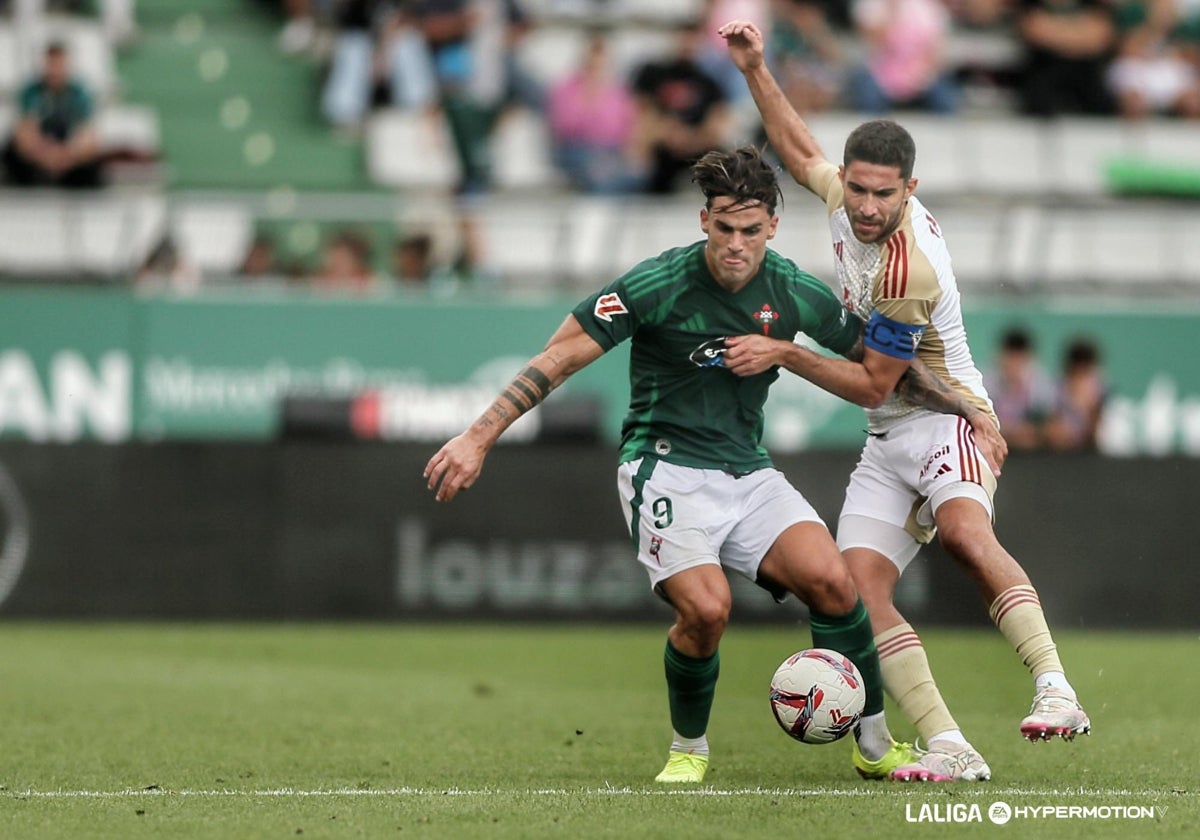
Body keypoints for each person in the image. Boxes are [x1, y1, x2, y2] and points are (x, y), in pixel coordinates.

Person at [424, 146, 1002, 785]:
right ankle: (688, 749)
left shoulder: (792, 291)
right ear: (704, 221)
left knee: (838, 587)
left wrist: (967, 409)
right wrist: (478, 437)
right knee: (706, 610)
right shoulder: (658, 284)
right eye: (724, 228)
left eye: (750, 230)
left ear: (772, 229)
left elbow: (881, 369)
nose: (736, 244)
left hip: (748, 473)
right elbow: (559, 356)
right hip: (663, 469)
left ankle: (874, 744)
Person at [720, 19, 1091, 782]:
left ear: (908, 190)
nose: (862, 205)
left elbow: (872, 381)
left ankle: (1056, 688)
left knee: (961, 534)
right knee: (858, 593)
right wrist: (756, 68)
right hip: (888, 436)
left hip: (946, 414)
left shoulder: (906, 270)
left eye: (880, 194)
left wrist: (788, 351)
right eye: (854, 187)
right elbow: (797, 150)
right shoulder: (844, 196)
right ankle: (950, 744)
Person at [2, 41, 105, 189]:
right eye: (52, 65)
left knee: (94, 160)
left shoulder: (79, 94)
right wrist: (47, 155)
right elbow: (25, 134)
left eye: (59, 65)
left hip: (69, 156)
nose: (55, 71)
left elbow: (87, 135)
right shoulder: (31, 92)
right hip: (39, 155)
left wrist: (67, 155)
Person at [984, 326, 1056, 451]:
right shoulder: (985, 382)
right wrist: (1012, 432)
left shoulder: (1041, 386)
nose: (1014, 365)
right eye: (1011, 357)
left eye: (1019, 359)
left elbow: (1050, 426)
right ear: (1001, 357)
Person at [1044, 336, 1107, 451]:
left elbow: (1100, 437)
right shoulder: (1055, 388)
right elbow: (1052, 433)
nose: (1080, 377)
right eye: (1077, 371)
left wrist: (1088, 409)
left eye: (1085, 371)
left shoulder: (1102, 389)